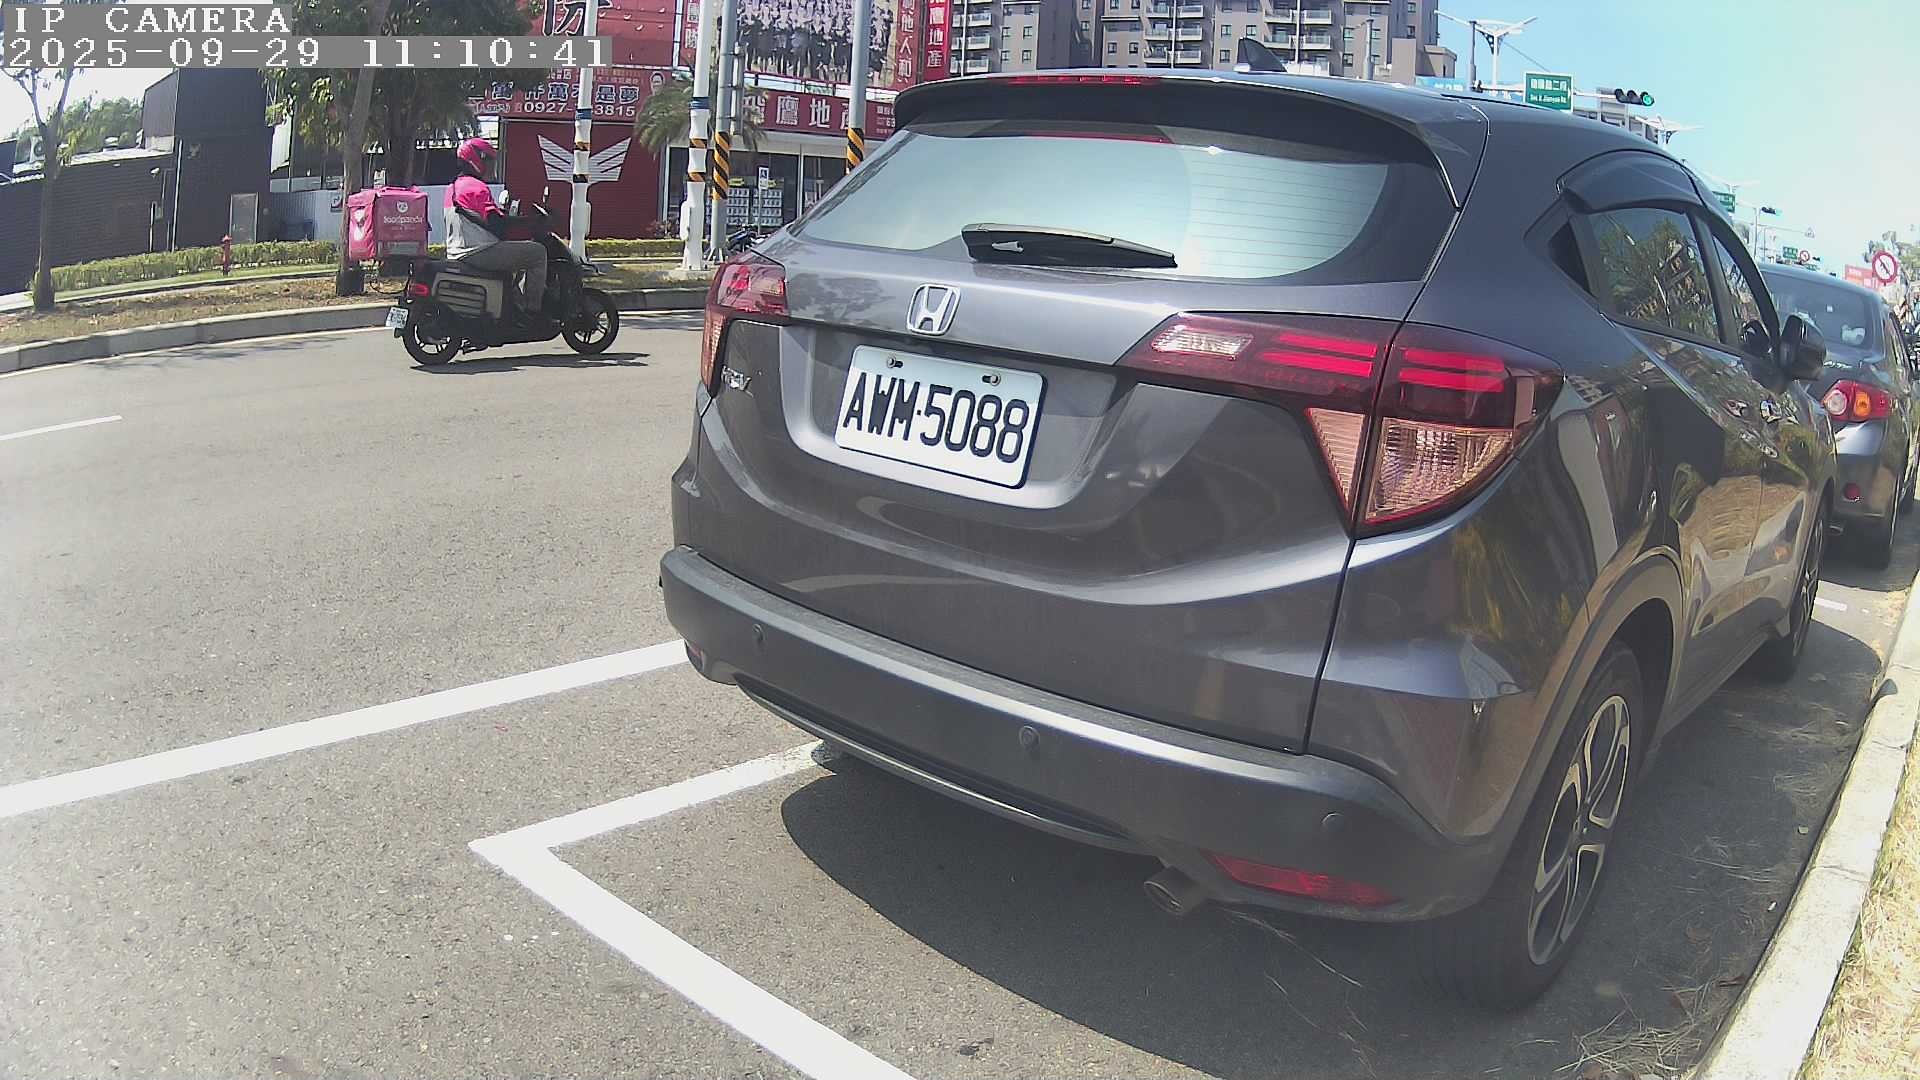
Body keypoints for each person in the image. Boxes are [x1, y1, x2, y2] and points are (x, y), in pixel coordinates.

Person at [444, 138, 547, 322]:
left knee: (516, 255)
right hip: (478, 251)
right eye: (489, 161)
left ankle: (514, 304)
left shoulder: (453, 186)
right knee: (537, 253)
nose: (491, 167)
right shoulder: (476, 187)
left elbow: (484, 218)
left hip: (458, 251)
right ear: (477, 159)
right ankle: (533, 312)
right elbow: (497, 223)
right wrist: (529, 221)